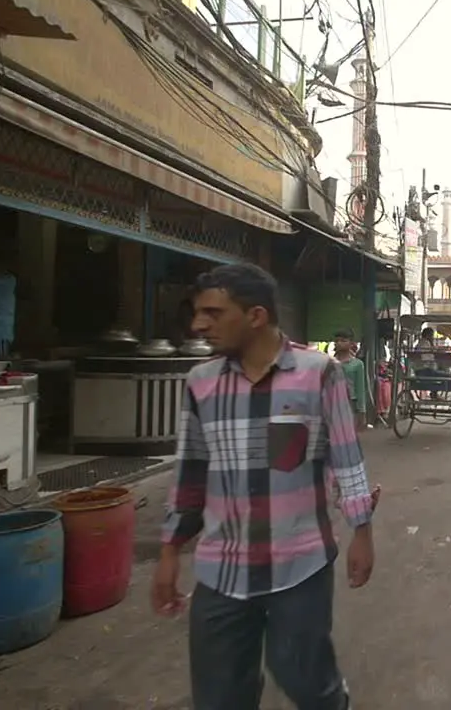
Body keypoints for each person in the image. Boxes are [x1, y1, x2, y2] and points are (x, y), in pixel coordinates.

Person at [154, 263, 375, 710]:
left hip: (301, 566)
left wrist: (361, 532)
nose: (199, 324)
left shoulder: (319, 373)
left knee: (309, 684)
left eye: (213, 313)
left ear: (255, 316)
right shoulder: (201, 382)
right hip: (220, 572)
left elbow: (345, 457)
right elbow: (191, 471)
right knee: (220, 696)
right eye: (199, 313)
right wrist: (169, 551)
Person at [334, 329, 368, 432]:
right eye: (337, 341)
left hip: (350, 403)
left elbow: (360, 389)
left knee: (348, 433)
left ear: (351, 343)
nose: (339, 343)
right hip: (332, 401)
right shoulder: (330, 362)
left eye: (343, 341)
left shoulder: (357, 364)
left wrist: (362, 412)